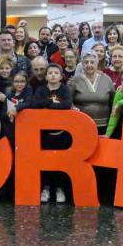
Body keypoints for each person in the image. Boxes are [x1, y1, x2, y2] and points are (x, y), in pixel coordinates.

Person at [30, 64, 73, 203]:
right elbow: (35, 104)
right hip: (45, 134)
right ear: (46, 76)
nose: (53, 75)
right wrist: (50, 101)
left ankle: (60, 189)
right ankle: (46, 188)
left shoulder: (65, 89)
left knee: (60, 161)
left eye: (56, 73)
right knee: (45, 161)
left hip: (62, 133)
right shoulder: (41, 89)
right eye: (50, 73)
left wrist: (48, 105)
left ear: (61, 76)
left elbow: (67, 104)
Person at [69, 52, 115, 135]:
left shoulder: (107, 79)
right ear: (82, 64)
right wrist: (72, 107)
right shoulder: (75, 80)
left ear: (97, 63)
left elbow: (113, 101)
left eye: (92, 62)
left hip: (104, 125)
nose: (89, 65)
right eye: (86, 62)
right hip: (81, 123)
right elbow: (68, 100)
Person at [2, 71, 34, 152]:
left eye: (22, 81)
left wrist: (16, 108)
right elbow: (3, 115)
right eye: (16, 81)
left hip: (25, 129)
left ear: (26, 82)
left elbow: (29, 103)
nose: (19, 84)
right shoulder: (9, 96)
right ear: (12, 82)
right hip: (11, 129)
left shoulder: (28, 91)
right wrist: (9, 113)